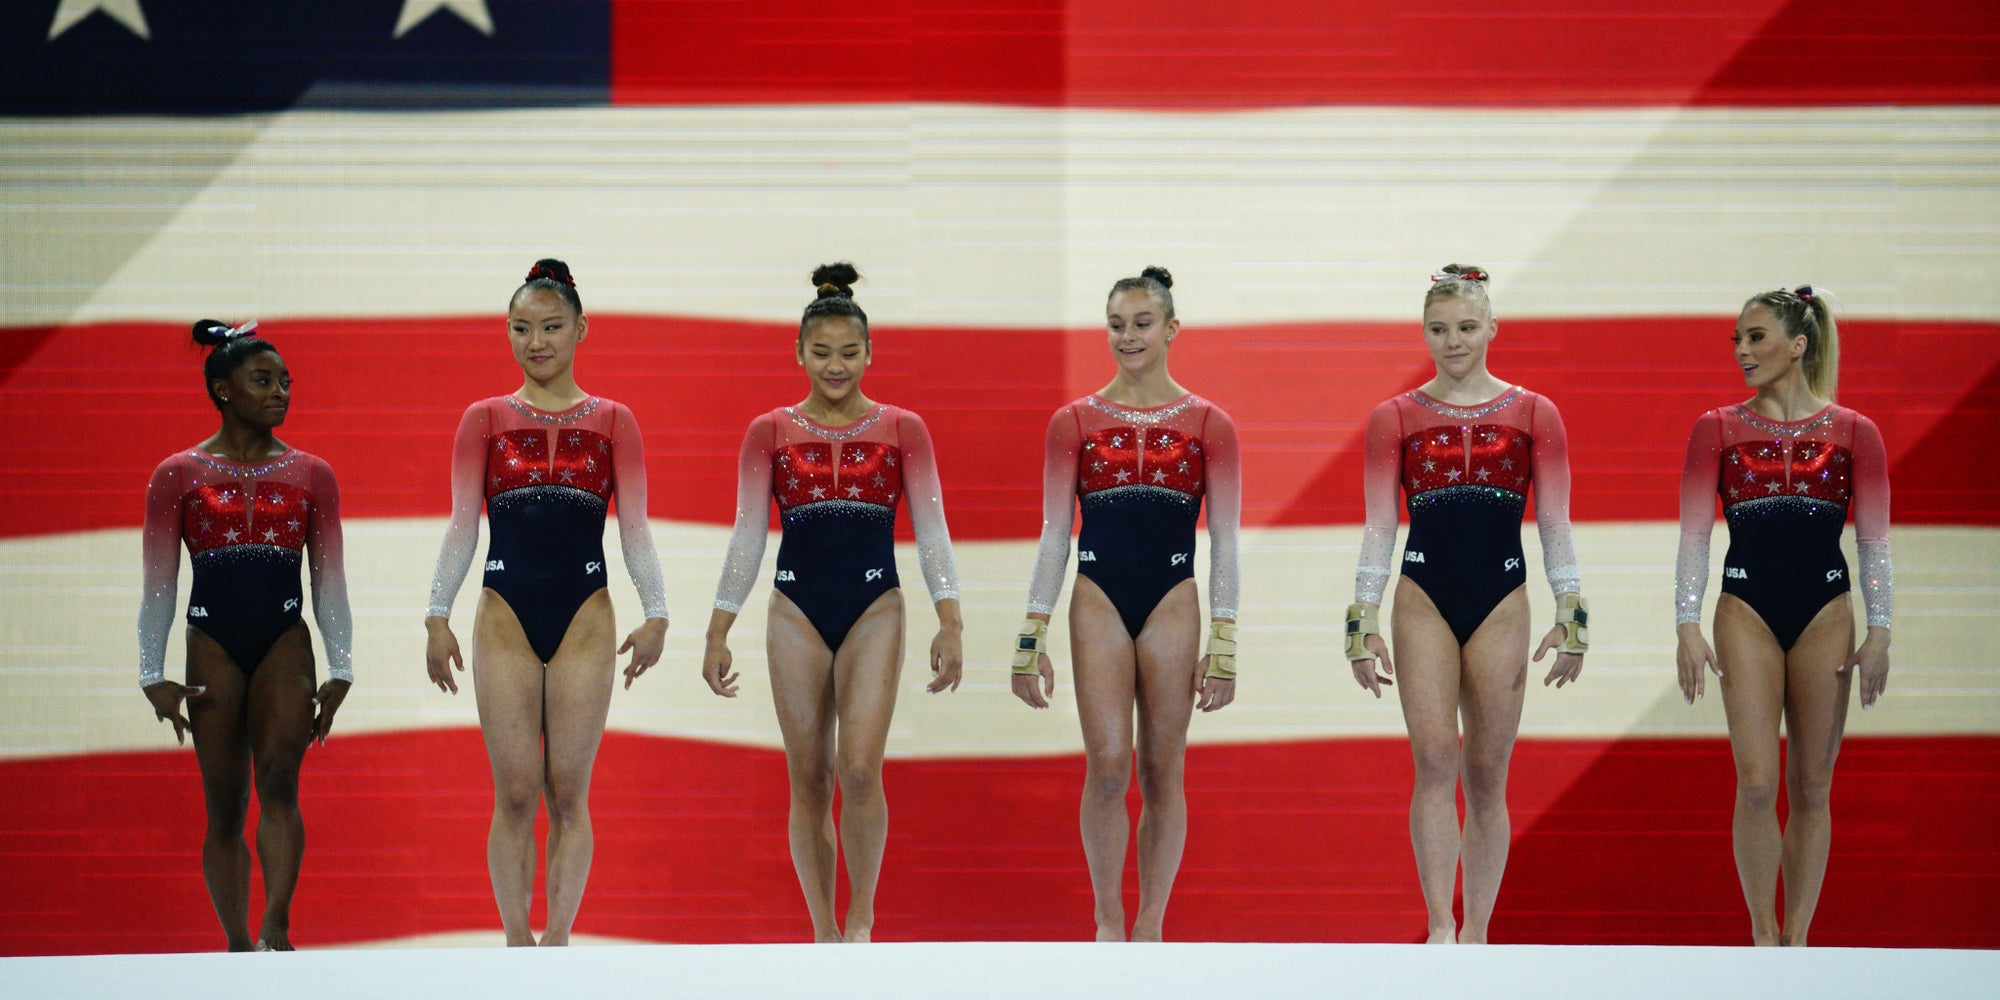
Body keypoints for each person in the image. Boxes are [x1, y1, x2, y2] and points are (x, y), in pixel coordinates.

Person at [702, 263, 963, 943]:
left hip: (875, 605)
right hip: (796, 608)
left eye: (849, 353)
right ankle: (821, 930)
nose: (836, 366)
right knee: (811, 777)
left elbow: (932, 530)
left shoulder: (904, 428)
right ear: (799, 354)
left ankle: (861, 918)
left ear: (870, 353)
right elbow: (746, 538)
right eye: (821, 353)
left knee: (859, 769)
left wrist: (951, 619)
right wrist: (716, 631)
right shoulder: (770, 431)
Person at [424, 259, 669, 946]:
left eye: (552, 327)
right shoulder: (485, 419)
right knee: (514, 794)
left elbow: (636, 529)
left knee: (567, 793)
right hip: (504, 612)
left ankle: (557, 945)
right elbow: (462, 527)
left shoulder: (616, 421)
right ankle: (514, 945)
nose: (538, 342)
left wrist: (658, 614)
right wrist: (436, 615)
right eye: (522, 328)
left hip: (585, 614)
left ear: (581, 329)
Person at [1343, 265, 1588, 944]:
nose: (1452, 341)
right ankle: (1440, 926)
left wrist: (1574, 612)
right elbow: (1379, 528)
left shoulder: (1535, 414)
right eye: (1438, 329)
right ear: (1424, 331)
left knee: (1486, 774)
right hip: (1423, 595)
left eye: (1466, 328)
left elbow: (1556, 525)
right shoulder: (1395, 417)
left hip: (1501, 598)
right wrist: (1360, 621)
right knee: (1433, 762)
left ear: (1491, 329)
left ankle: (1479, 930)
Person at [1010, 266, 1241, 942]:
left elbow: (1225, 542)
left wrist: (1223, 645)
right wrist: (1032, 635)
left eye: (1142, 324)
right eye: (1117, 325)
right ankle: (1108, 918)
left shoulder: (1209, 425)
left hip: (1172, 596)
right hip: (1097, 596)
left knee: (1162, 768)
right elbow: (1056, 535)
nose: (1128, 337)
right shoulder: (1074, 422)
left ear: (1171, 328)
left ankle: (1151, 924)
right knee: (1108, 766)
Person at [1674, 285, 1891, 946]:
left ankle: (1797, 937)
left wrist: (1881, 629)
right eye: (1737, 340)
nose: (1742, 351)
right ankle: (1762, 933)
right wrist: (1686, 621)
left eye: (1756, 337)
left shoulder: (1856, 433)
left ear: (1799, 344)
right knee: (1758, 782)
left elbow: (1875, 542)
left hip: (1826, 610)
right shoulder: (1717, 429)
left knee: (1812, 785)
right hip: (1747, 610)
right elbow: (1694, 538)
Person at [138, 320, 353, 951]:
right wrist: (152, 674)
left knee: (281, 781)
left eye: (285, 382)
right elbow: (158, 583)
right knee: (225, 804)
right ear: (222, 390)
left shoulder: (314, 473)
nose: (280, 392)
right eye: (263, 381)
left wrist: (342, 666)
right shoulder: (176, 474)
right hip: (212, 642)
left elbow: (330, 581)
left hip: (284, 638)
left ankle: (276, 927)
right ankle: (235, 944)